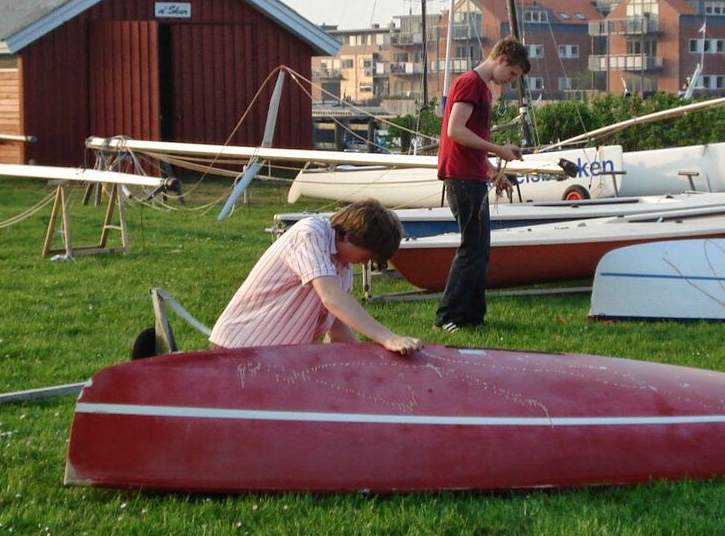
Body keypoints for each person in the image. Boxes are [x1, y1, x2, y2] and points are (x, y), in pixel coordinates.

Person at [209, 198, 422, 355]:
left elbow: (338, 330)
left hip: (278, 358)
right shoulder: (309, 235)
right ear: (348, 237)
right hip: (239, 349)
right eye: (367, 256)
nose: (366, 263)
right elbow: (331, 298)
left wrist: (370, 365)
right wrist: (388, 338)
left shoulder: (343, 264)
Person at [433, 36, 530, 332]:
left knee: (479, 247)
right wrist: (499, 150)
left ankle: (472, 315)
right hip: (461, 176)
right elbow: (456, 130)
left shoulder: (482, 89)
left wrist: (492, 171)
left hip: (471, 175)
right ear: (501, 60)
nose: (510, 81)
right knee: (472, 247)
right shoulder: (470, 84)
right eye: (511, 73)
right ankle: (448, 316)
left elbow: (469, 141)